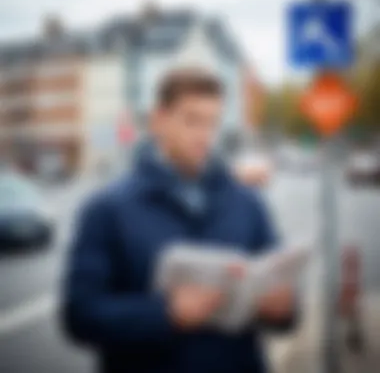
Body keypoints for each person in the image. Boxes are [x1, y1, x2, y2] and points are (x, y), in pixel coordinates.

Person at [62, 68, 298, 373]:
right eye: (192, 120)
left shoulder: (247, 202)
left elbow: (286, 310)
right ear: (158, 121)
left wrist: (282, 309)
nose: (204, 136)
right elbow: (79, 315)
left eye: (212, 123)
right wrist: (165, 314)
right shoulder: (107, 209)